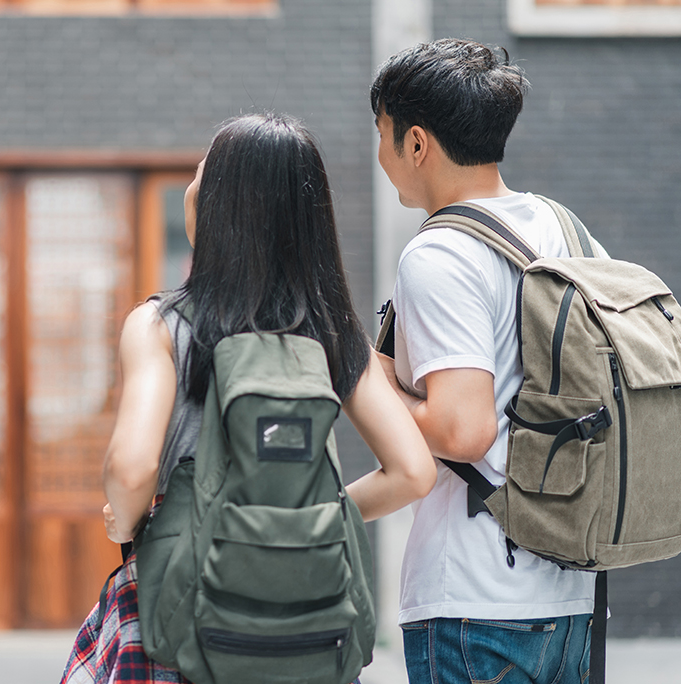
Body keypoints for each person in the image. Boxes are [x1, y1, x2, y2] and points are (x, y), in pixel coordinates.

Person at [61, 113, 436, 684]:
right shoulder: (332, 332)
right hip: (307, 626)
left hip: (184, 613)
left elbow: (131, 467)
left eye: (200, 177)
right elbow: (412, 471)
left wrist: (125, 521)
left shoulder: (161, 325)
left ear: (217, 207)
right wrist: (298, 521)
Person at [371, 39, 606, 683]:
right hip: (568, 591)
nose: (382, 155)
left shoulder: (440, 252)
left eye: (383, 134)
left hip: (475, 599)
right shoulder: (565, 230)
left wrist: (365, 382)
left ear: (415, 143)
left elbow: (463, 428)